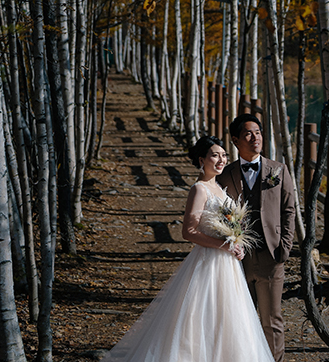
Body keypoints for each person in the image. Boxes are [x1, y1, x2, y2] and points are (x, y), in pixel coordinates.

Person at [101, 136, 275, 362]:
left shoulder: (220, 188)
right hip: (209, 261)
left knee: (231, 317)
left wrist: (237, 244)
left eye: (223, 155)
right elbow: (188, 232)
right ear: (202, 160)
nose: (221, 160)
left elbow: (230, 226)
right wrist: (224, 245)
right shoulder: (199, 189)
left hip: (228, 264)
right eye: (215, 155)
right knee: (201, 316)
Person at [217, 113, 296, 362]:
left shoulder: (278, 170)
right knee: (241, 318)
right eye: (249, 134)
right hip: (236, 259)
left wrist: (284, 246)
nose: (255, 138)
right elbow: (218, 212)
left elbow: (289, 210)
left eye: (258, 132)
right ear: (236, 140)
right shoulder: (225, 175)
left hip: (271, 255)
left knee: (272, 320)